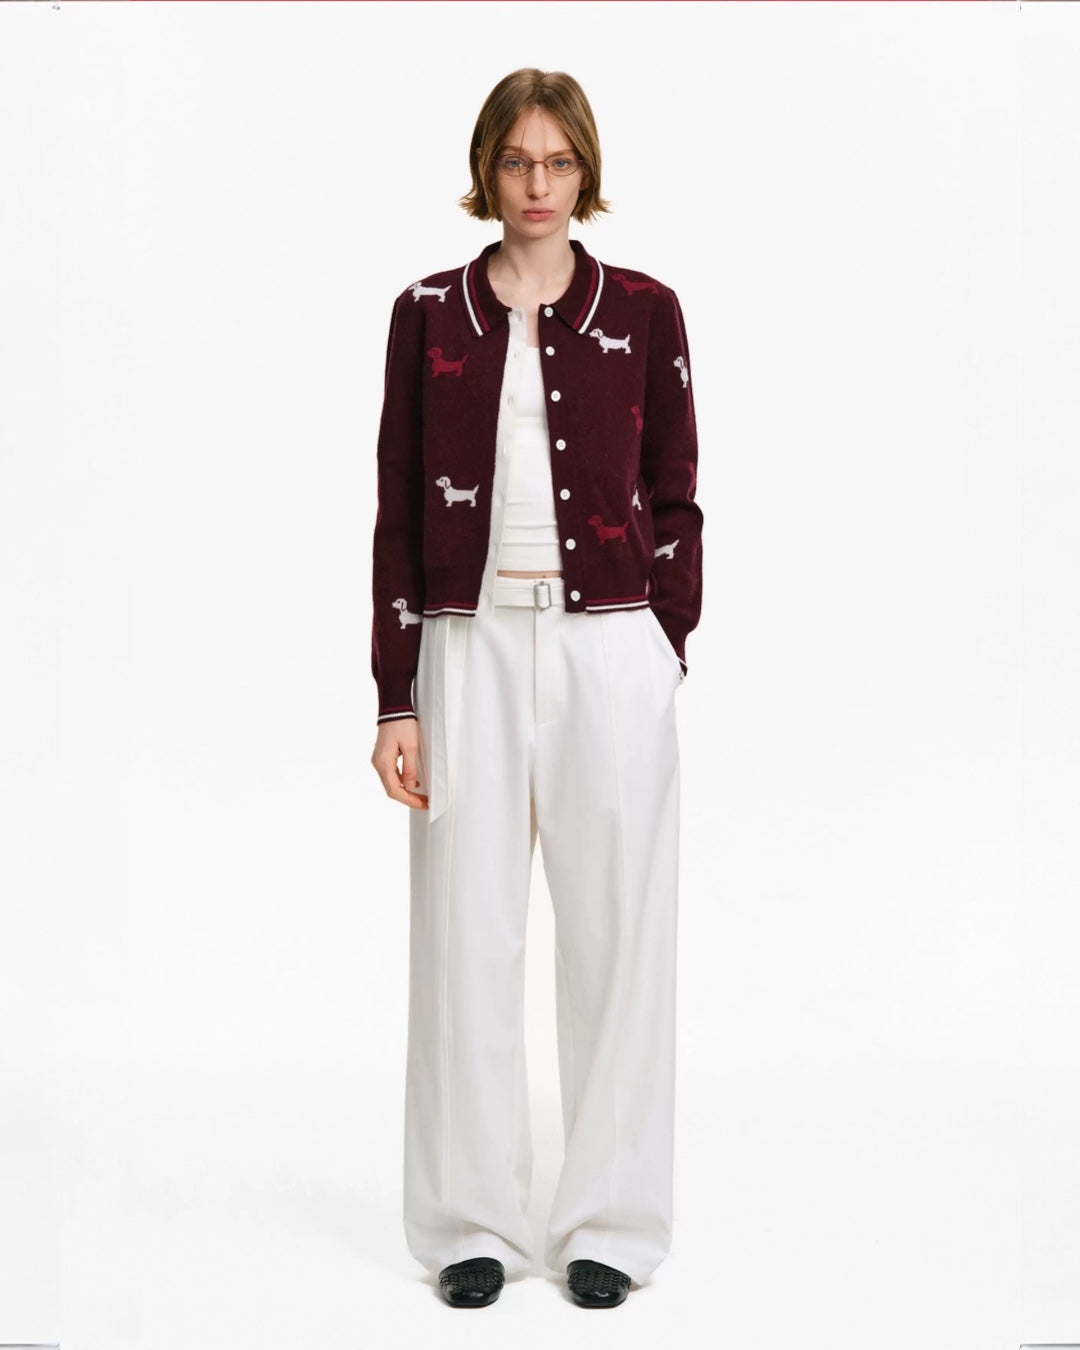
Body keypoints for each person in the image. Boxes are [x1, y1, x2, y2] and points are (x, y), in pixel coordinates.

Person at [370, 67, 704, 1308]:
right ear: (487, 171)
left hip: (607, 649)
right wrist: (397, 695)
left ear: (586, 172)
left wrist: (663, 645)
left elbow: (677, 490)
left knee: (619, 939)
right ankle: (471, 1223)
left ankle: (610, 1222)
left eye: (559, 162)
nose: (537, 185)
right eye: (516, 161)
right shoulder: (426, 313)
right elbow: (398, 511)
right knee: (466, 939)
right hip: (467, 650)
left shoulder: (647, 312)